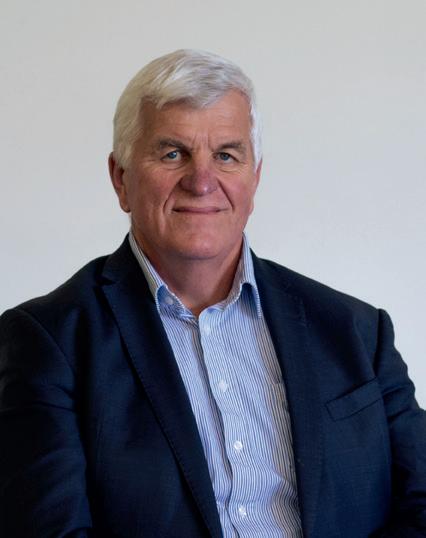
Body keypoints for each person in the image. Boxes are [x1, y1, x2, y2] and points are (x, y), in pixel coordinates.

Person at [0, 49, 425, 538]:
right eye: (172, 153)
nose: (201, 182)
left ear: (255, 177)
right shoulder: (49, 342)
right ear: (121, 179)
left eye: (226, 155)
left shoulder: (357, 331)